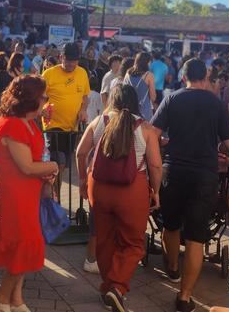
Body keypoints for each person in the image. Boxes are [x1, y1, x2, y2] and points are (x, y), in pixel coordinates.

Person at [151, 58, 229, 312]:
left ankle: (174, 268)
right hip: (204, 175)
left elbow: (154, 134)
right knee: (197, 238)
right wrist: (219, 146)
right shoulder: (216, 102)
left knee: (171, 224)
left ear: (183, 75)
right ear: (206, 76)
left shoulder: (172, 98)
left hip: (174, 170)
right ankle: (185, 296)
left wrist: (167, 143)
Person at [76, 84, 163, 311]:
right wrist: (156, 191)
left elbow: (80, 152)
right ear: (135, 102)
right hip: (132, 190)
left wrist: (82, 180)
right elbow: (154, 165)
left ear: (111, 100)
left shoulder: (98, 122)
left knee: (104, 240)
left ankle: (107, 287)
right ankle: (116, 287)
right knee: (133, 242)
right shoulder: (146, 129)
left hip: (100, 188)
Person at [0, 75, 59, 312]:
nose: (45, 101)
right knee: (23, 244)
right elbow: (27, 166)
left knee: (25, 244)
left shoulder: (25, 121)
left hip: (27, 193)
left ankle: (14, 299)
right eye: (43, 97)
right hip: (16, 195)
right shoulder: (13, 124)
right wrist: (53, 167)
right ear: (31, 100)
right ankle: (0, 298)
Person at [41, 42, 90, 193]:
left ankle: (54, 195)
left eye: (74, 61)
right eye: (68, 60)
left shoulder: (82, 73)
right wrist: (42, 109)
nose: (71, 64)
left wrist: (83, 110)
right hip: (52, 126)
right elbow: (40, 97)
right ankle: (53, 196)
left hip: (72, 127)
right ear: (61, 57)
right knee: (58, 162)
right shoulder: (48, 74)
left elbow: (85, 96)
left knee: (62, 167)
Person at [123, 52, 156, 121]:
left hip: (129, 109)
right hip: (144, 110)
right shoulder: (149, 75)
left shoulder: (128, 73)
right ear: (147, 62)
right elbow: (153, 97)